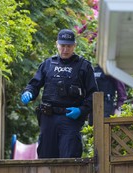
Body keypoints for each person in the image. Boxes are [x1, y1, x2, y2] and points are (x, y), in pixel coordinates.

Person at [21, 29, 98, 158]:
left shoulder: (84, 66)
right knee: (45, 157)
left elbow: (93, 95)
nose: (65, 49)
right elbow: (34, 85)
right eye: (62, 46)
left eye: (69, 46)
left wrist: (81, 110)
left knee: (69, 157)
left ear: (74, 46)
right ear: (57, 44)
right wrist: (28, 92)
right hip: (48, 118)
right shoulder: (47, 64)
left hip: (70, 119)